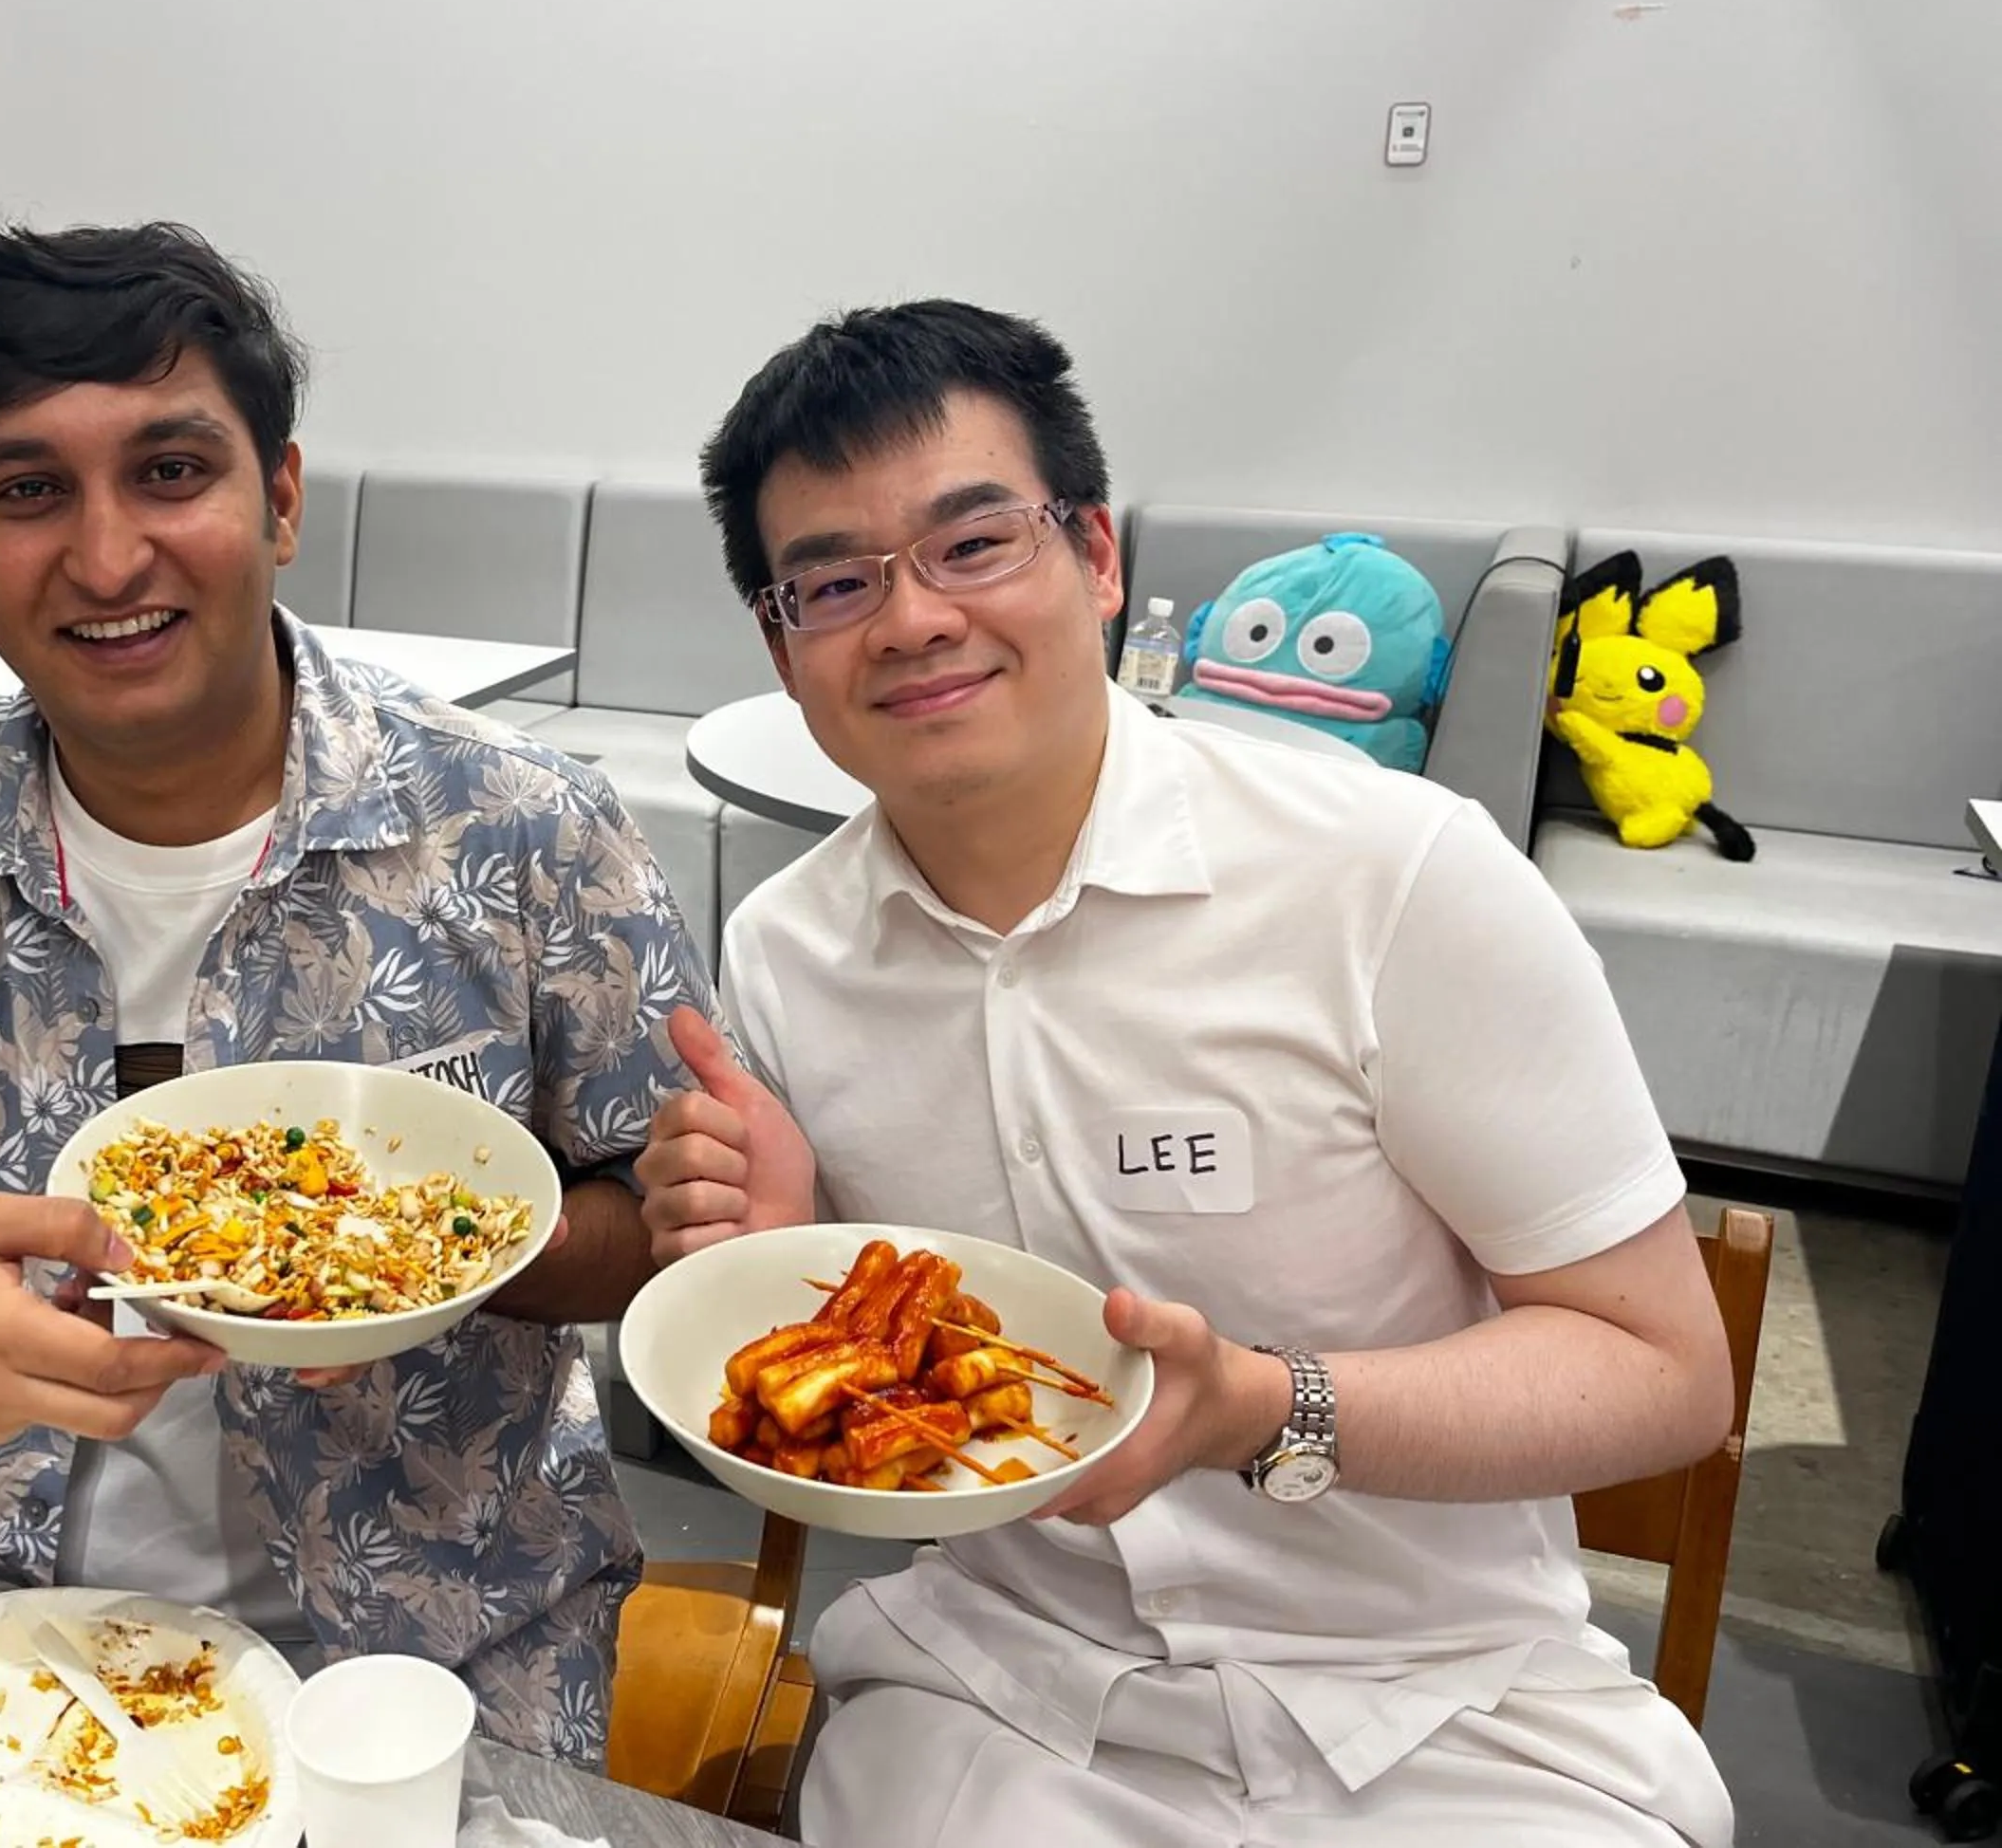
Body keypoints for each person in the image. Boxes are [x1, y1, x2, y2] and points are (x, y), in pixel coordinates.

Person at [638, 300, 1738, 1843]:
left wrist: (1267, 1409)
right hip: (1003, 1698)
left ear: (1098, 558)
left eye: (974, 543)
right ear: (784, 638)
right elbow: (869, 1382)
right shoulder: (787, 953)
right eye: (836, 579)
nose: (912, 619)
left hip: (1444, 1711)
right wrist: (778, 1259)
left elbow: (1668, 1371)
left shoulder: (1392, 878)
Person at [0, 221, 710, 1762]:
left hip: (459, 1650)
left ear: (278, 493)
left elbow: (663, 1235)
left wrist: (410, 1266)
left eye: (173, 471)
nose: (109, 555)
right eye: (25, 491)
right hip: (10, 1653)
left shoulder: (525, 823)